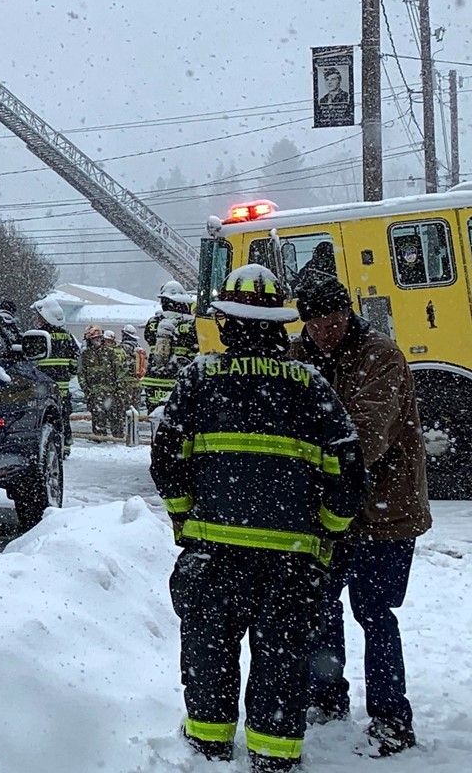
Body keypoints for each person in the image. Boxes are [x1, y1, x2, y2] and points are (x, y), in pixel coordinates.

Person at [150, 264, 365, 771]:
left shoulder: (199, 379)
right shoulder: (311, 386)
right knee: (282, 665)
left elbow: (165, 460)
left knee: (209, 659)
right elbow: (349, 472)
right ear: (282, 325)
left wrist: (185, 522)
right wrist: (326, 534)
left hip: (214, 559)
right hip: (290, 565)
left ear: (225, 324)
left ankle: (208, 747)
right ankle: (274, 755)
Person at [291, 276, 430, 756]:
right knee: (321, 607)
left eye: (333, 319)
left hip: (384, 514)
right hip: (330, 514)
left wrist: (302, 453)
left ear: (348, 314)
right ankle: (326, 697)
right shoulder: (298, 357)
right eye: (315, 322)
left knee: (374, 612)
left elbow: (365, 436)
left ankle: (392, 718)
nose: (325, 330)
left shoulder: (381, 356)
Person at [142, 281, 200, 413]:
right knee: (177, 418)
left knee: (155, 418)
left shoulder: (152, 323)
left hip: (153, 380)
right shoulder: (191, 324)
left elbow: (148, 339)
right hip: (177, 380)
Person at [32, 298, 80, 408]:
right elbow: (76, 360)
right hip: (63, 389)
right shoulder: (67, 336)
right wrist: (67, 375)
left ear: (44, 318)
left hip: (43, 389)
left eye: (38, 317)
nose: (36, 319)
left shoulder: (38, 335)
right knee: (63, 418)